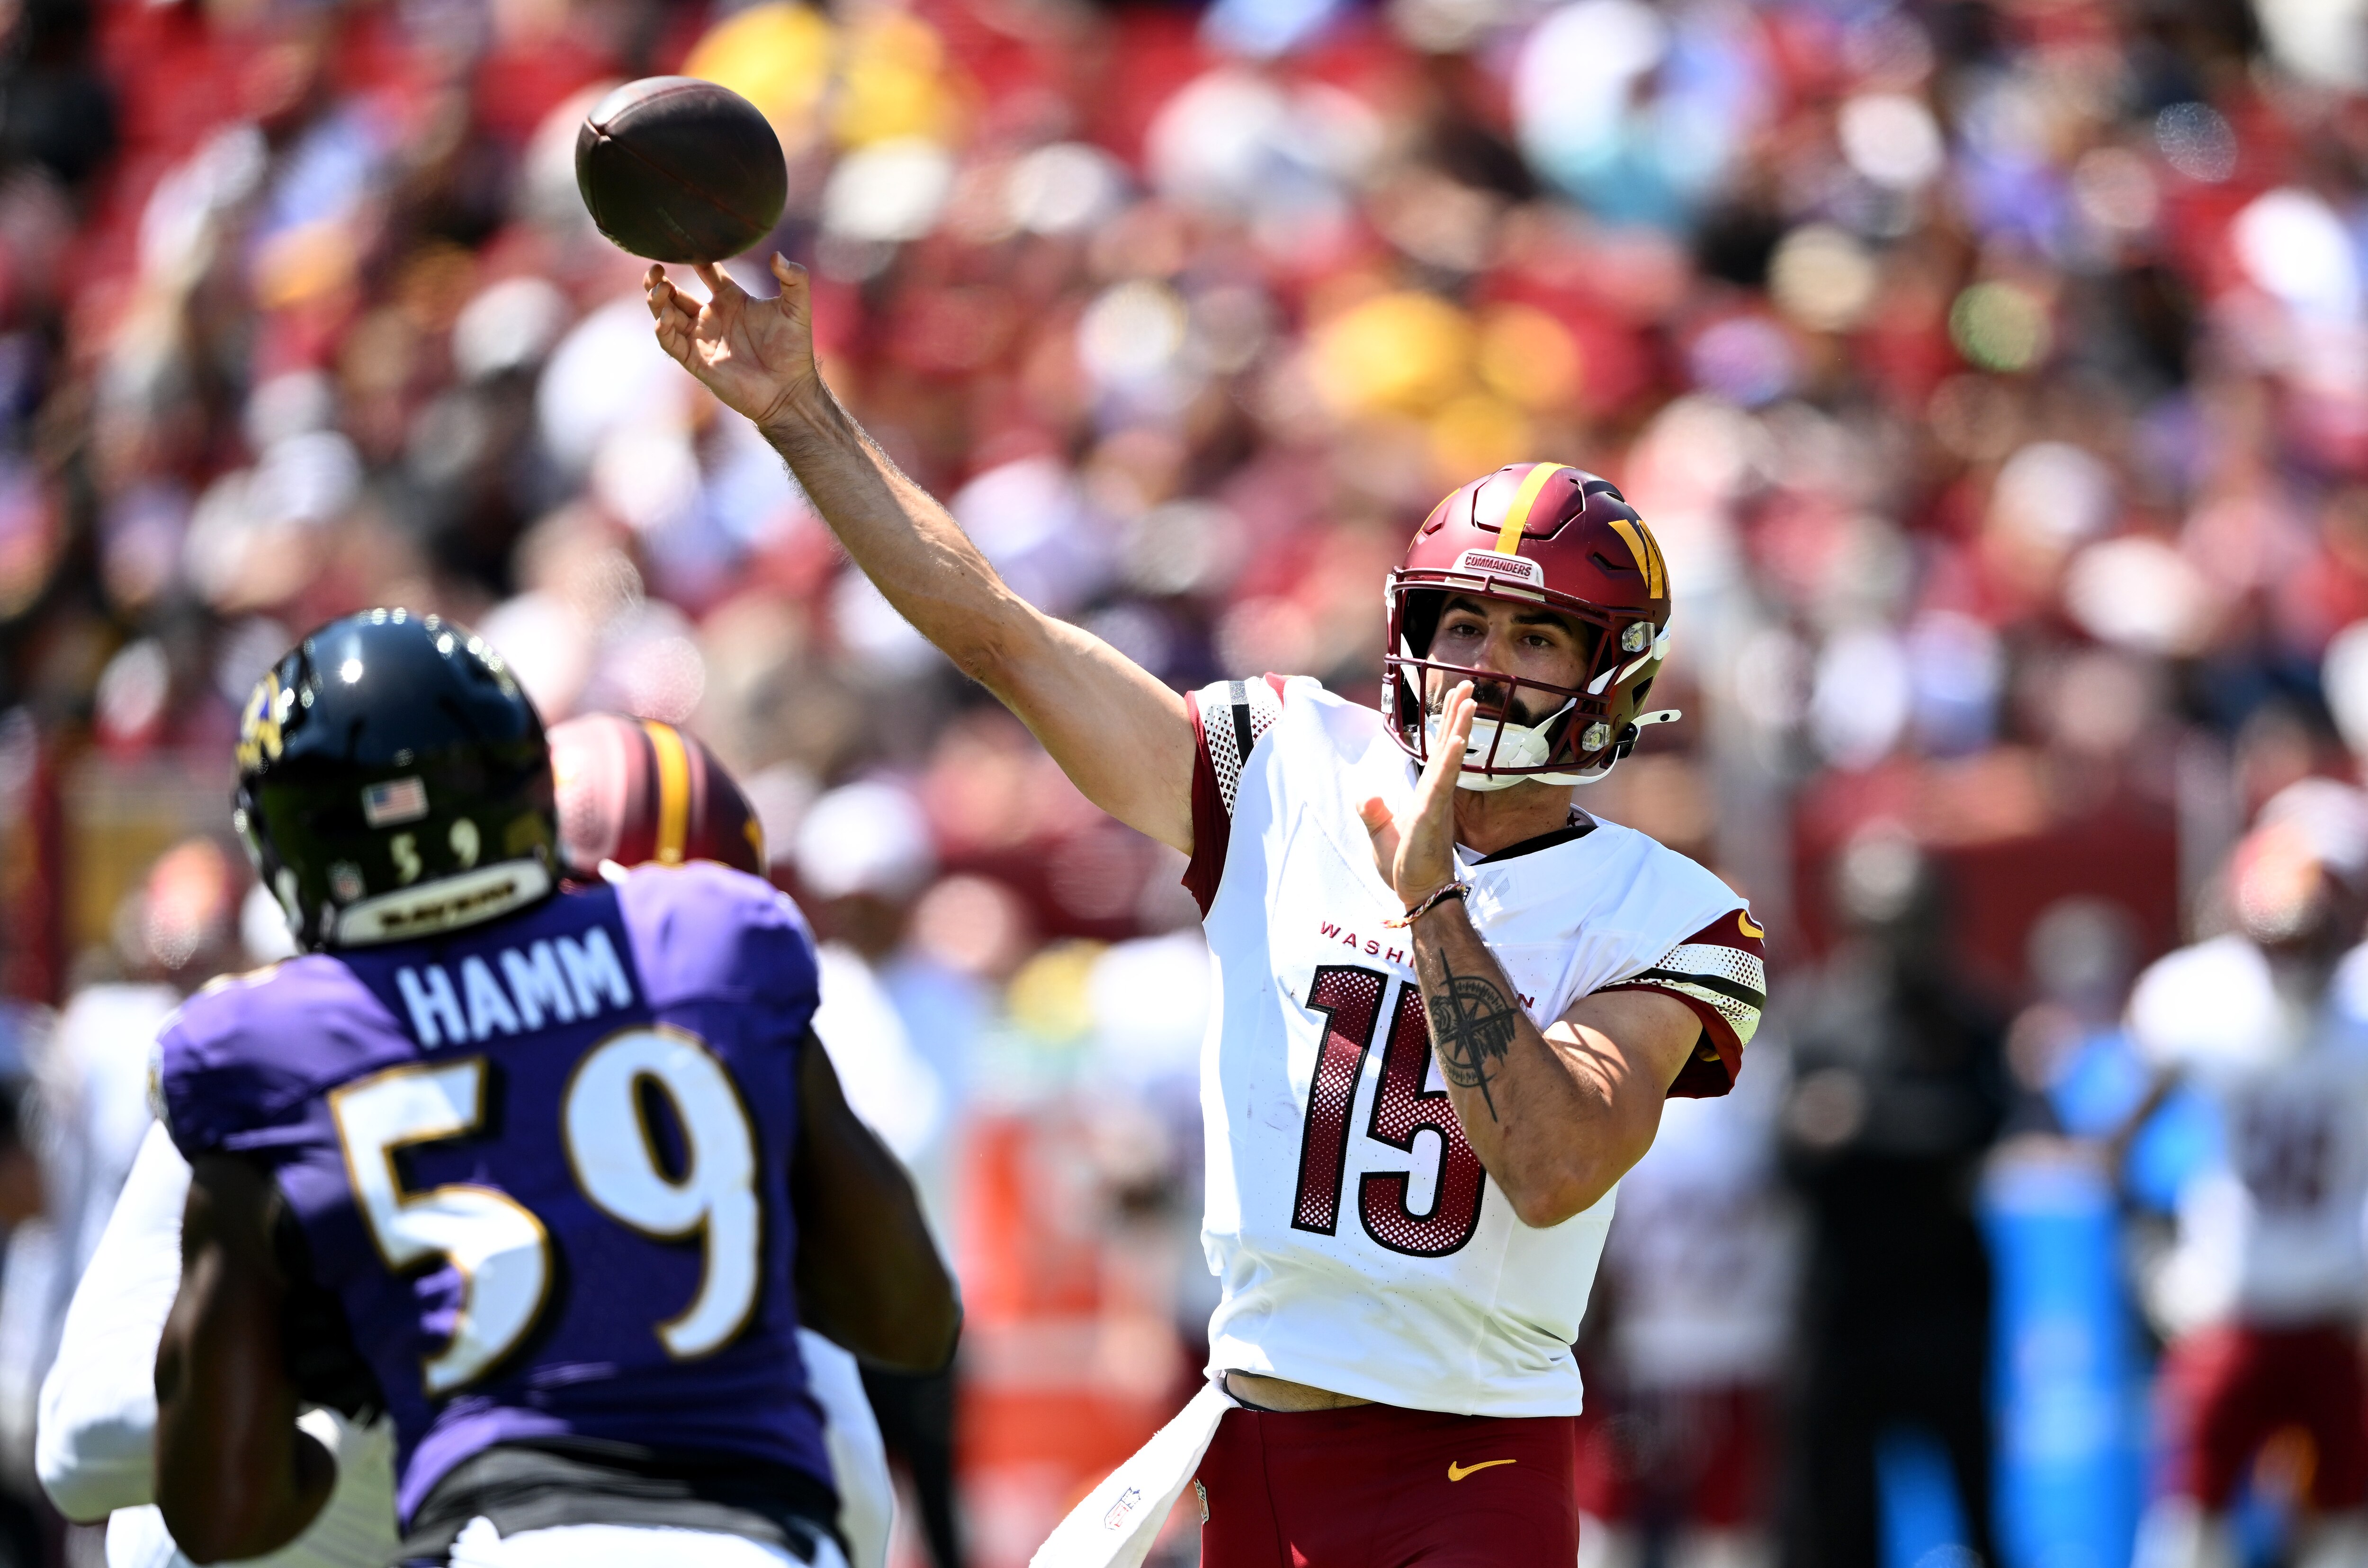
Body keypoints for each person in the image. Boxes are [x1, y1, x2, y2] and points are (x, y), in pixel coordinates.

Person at [645, 257, 1767, 1567]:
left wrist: (1434, 905)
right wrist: (796, 411)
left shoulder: (1667, 913)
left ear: (1608, 676)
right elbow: (1002, 635)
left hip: (1466, 1459)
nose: (1483, 669)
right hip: (1251, 1439)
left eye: (1534, 639)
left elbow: (1555, 1162)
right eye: (1462, 625)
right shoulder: (1286, 764)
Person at [142, 614, 959, 1568]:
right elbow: (911, 1319)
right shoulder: (709, 936)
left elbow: (221, 1512)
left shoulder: (265, 1048)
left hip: (501, 1540)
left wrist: (349, 1414)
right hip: (759, 1539)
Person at [2122, 781, 2368, 1568]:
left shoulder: (2351, 1011)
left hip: (2336, 1305)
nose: (2294, 958)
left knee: (2340, 1530)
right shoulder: (2202, 1002)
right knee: (2193, 1525)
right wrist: (2151, 1256)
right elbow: (2117, 1144)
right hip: (2232, 1301)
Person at [1777, 830, 2007, 1568]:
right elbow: (1787, 1158)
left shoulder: (1970, 1021)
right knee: (1838, 1523)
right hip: (1845, 1308)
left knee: (1978, 1508)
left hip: (1945, 1307)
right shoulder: (1818, 1018)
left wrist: (1858, 1124)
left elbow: (1976, 1131)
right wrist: (1880, 1130)